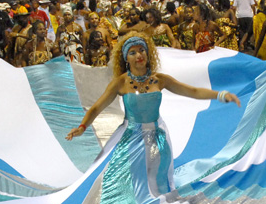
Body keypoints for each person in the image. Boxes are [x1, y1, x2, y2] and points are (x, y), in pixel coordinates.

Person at [65, 32, 239, 194]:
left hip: (158, 137)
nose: (139, 55)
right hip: (130, 139)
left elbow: (192, 91)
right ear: (126, 58)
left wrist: (221, 95)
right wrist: (82, 127)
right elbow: (96, 107)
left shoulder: (159, 79)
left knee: (159, 183)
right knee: (129, 184)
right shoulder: (120, 83)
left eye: (141, 50)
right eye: (132, 53)